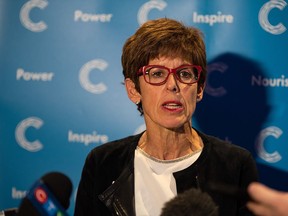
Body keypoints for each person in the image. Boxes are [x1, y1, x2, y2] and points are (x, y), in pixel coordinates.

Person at [74, 18, 258, 216]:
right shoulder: (103, 163)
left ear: (200, 89)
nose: (172, 85)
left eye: (185, 74)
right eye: (157, 74)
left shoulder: (235, 165)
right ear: (134, 90)